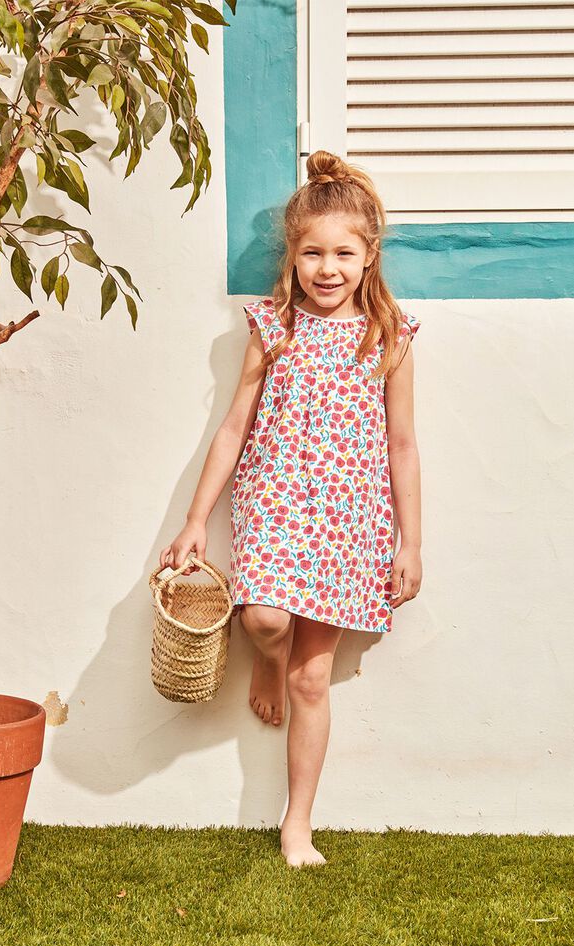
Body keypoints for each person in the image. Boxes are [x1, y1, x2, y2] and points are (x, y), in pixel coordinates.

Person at [159, 150, 422, 867]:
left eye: (343, 254)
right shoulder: (273, 326)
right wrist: (194, 519)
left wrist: (410, 542)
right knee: (264, 620)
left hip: (348, 522)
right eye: (313, 253)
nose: (327, 269)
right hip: (276, 506)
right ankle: (266, 662)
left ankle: (296, 824)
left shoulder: (389, 335)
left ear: (369, 257)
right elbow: (232, 428)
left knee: (314, 677)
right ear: (293, 257)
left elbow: (402, 445)